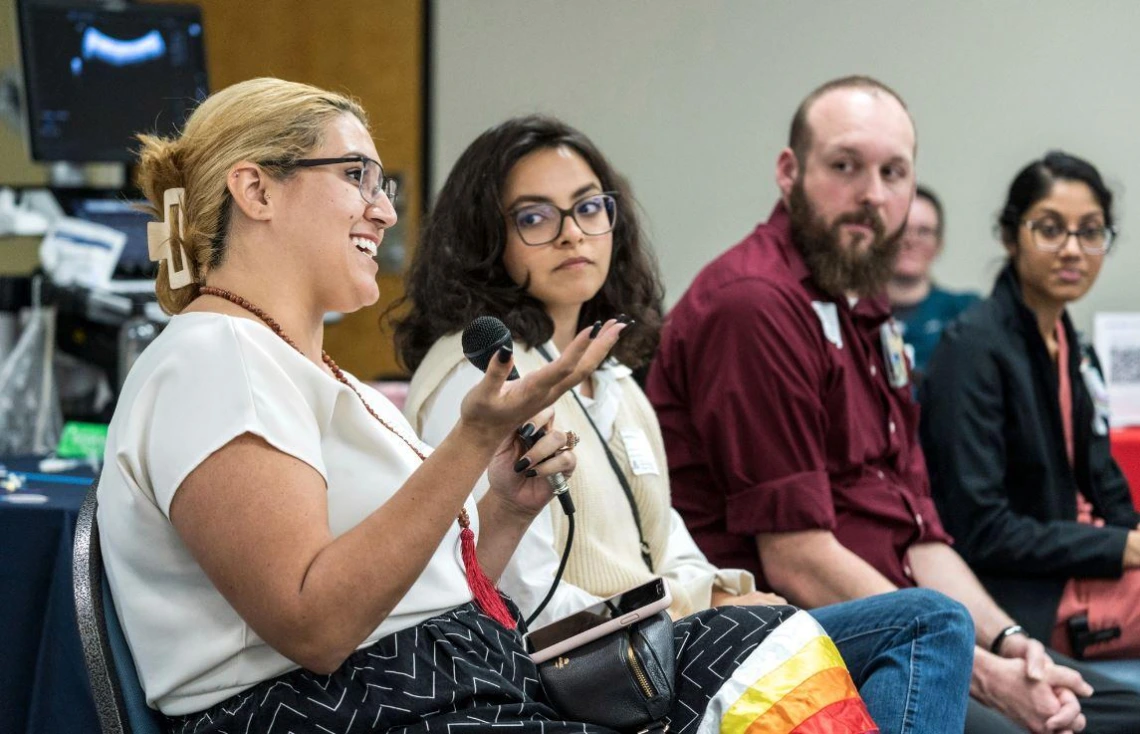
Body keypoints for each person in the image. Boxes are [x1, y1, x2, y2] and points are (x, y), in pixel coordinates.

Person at [96, 77, 867, 734]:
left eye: (381, 185)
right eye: (356, 176)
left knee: (766, 643)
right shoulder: (212, 357)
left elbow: (420, 596)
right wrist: (470, 442)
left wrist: (502, 510)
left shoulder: (305, 370)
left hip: (441, 691)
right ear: (256, 188)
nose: (384, 211)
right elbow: (316, 626)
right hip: (342, 710)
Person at [394, 114, 975, 732]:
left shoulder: (612, 378)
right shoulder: (480, 375)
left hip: (662, 642)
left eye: (589, 208)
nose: (573, 235)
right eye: (535, 218)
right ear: (489, 238)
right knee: (925, 623)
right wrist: (692, 621)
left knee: (909, 635)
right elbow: (515, 593)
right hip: (584, 668)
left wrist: (723, 595)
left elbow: (667, 542)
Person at [647, 75, 1140, 733]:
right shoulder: (756, 307)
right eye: (845, 166)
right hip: (788, 645)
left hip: (909, 627)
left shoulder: (864, 308)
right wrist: (981, 672)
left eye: (893, 172)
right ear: (788, 172)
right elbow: (797, 559)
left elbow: (919, 534)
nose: (871, 195)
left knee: (1116, 710)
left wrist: (1008, 642)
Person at [921, 152, 1140, 662]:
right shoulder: (971, 349)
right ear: (1009, 235)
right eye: (1050, 229)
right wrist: (1120, 549)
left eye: (1090, 232)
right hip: (1026, 597)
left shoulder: (1070, 342)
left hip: (1087, 566)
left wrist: (1130, 537)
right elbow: (982, 530)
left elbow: (1104, 480)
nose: (1072, 250)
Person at [887, 185, 979, 383]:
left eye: (924, 231)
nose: (911, 240)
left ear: (939, 243)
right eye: (902, 228)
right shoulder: (854, 315)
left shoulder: (968, 313)